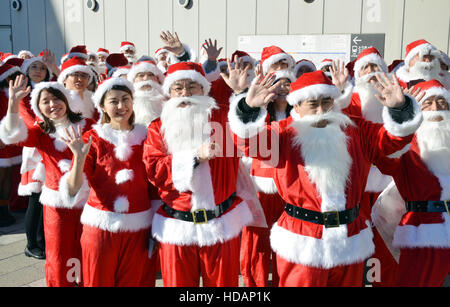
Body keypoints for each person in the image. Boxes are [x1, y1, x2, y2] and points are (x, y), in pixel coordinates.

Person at [227, 67, 423, 287]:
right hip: (303, 243)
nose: (321, 110)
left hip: (349, 241)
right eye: (313, 104)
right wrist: (247, 109)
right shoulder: (282, 134)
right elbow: (248, 143)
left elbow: (391, 141)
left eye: (326, 102)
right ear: (298, 106)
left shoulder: (357, 131)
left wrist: (400, 109)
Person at [142, 62, 256, 287]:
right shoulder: (158, 127)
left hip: (221, 225)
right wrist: (194, 157)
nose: (185, 93)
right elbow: (154, 170)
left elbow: (249, 131)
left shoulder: (224, 119)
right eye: (178, 87)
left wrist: (242, 96)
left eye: (192, 86)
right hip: (178, 228)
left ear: (204, 89)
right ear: (170, 92)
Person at [60, 77, 157, 287]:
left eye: (125, 99)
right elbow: (72, 190)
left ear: (133, 102)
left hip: (139, 229)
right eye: (114, 101)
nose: (121, 106)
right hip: (101, 228)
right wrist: (79, 158)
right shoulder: (92, 138)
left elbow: (155, 185)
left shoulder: (148, 137)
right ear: (102, 106)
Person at [0, 76, 94, 286]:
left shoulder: (87, 124)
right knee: (59, 255)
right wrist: (13, 104)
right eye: (46, 101)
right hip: (56, 204)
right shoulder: (41, 131)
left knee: (87, 252)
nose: (53, 105)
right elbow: (12, 135)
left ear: (66, 99)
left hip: (88, 201)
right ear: (39, 107)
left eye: (56, 98)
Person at [373, 79, 449, 286]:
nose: (436, 109)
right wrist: (401, 112)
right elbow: (382, 156)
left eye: (442, 102)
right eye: (428, 102)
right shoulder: (404, 146)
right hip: (424, 231)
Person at [239, 69, 296, 287]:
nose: (282, 87)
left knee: (287, 245)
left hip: (289, 187)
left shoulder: (300, 114)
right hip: (259, 187)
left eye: (287, 82)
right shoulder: (258, 113)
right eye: (277, 82)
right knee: (256, 244)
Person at [0, 64, 23, 227]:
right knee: (1, 176)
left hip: (13, 141)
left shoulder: (17, 95)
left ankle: (4, 208)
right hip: (2, 140)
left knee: (9, 175)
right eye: (15, 76)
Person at [58, 56, 98, 121]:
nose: (80, 79)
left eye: (84, 75)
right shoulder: (57, 99)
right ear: (64, 79)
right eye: (75, 74)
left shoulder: (94, 101)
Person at [127, 60, 166, 127]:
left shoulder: (167, 103)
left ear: (158, 79)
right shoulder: (126, 105)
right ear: (133, 80)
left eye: (151, 75)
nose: (146, 78)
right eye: (141, 75)